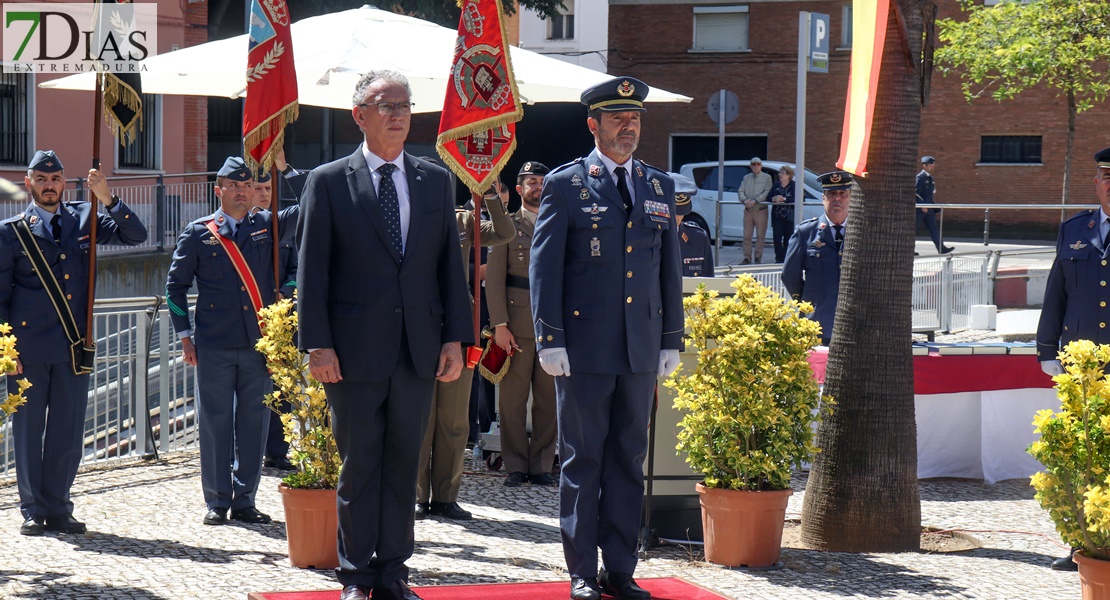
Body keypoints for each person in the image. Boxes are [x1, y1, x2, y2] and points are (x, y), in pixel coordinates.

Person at [296, 70, 472, 600]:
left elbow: (449, 269)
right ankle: (355, 575)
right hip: (350, 353)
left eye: (404, 104)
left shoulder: (435, 179)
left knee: (403, 465)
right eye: (385, 104)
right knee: (359, 465)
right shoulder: (327, 181)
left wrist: (454, 339)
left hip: (418, 350)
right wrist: (317, 343)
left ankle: (393, 573)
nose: (398, 113)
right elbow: (313, 270)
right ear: (359, 115)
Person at [530, 76, 684, 600]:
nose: (629, 127)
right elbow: (545, 269)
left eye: (635, 118)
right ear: (593, 124)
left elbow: (668, 269)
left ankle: (620, 568)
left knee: (627, 459)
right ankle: (580, 570)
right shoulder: (566, 184)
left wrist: (671, 338)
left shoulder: (658, 186)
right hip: (584, 348)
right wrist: (549, 337)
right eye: (618, 118)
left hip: (639, 347)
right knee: (583, 459)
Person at [0, 150, 147, 536]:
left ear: (65, 182)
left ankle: (59, 506)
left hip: (72, 344)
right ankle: (32, 508)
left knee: (67, 429)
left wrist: (108, 197)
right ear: (29, 183)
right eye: (42, 180)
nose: (50, 186)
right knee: (28, 429)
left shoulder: (86, 217)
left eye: (57, 179)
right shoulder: (11, 230)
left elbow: (137, 235)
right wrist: (5, 351)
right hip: (28, 348)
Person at [167, 156, 297, 527]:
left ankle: (245, 500)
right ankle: (217, 500)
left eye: (247, 185)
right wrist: (185, 337)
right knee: (215, 423)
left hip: (260, 344)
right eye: (234, 185)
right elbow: (175, 288)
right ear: (218, 190)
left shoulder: (269, 226)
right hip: (214, 343)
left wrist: (285, 169)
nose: (242, 191)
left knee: (254, 424)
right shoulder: (198, 232)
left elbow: (309, 208)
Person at [416, 176, 514, 519]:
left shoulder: (463, 219)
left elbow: (504, 233)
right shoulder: (400, 215)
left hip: (457, 325)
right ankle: (417, 495)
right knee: (420, 417)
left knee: (455, 419)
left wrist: (488, 194)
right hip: (415, 325)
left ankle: (445, 495)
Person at [1035, 146, 1110, 572]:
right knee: (1082, 453)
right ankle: (1082, 544)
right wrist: (1047, 350)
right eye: (1107, 178)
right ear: (1097, 183)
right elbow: (1056, 293)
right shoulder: (1074, 229)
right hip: (1082, 368)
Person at [485, 161, 559, 488]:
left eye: (542, 181)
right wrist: (499, 324)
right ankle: (515, 464)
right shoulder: (507, 226)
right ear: (518, 189)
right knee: (512, 400)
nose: (537, 187)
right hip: (514, 326)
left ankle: (542, 463)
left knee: (548, 400)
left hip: (551, 326)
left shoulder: (560, 223)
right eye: (531, 181)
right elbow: (496, 280)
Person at [250, 166, 297, 472]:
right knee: (250, 389)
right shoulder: (231, 226)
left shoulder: (281, 225)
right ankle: (242, 451)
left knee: (283, 388)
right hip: (248, 319)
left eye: (269, 189)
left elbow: (295, 268)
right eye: (259, 189)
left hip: (279, 320)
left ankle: (277, 451)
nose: (265, 195)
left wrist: (287, 290)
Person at [781, 170, 854, 346]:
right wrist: (808, 302)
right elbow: (790, 275)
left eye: (842, 194)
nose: (837, 198)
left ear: (850, 198)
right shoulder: (805, 232)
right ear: (823, 199)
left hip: (853, 322)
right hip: (817, 321)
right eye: (831, 194)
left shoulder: (861, 232)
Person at [670, 172, 714, 277]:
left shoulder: (698, 238)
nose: (676, 218)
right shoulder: (645, 237)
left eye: (681, 213)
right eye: (672, 212)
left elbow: (707, 281)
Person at [916, 156, 954, 255]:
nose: (932, 167)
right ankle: (909, 250)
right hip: (920, 210)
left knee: (934, 229)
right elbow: (915, 193)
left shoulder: (930, 178)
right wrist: (922, 205)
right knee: (913, 230)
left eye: (933, 166)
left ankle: (941, 248)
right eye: (930, 166)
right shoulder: (920, 178)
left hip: (929, 209)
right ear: (924, 166)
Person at [738, 157, 772, 265]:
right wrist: (744, 200)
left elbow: (767, 191)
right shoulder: (746, 178)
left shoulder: (767, 177)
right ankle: (747, 257)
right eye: (753, 164)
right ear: (750, 166)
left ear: (761, 166)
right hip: (748, 210)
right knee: (747, 235)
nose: (756, 166)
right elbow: (740, 191)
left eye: (758, 164)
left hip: (761, 210)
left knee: (760, 236)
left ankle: (758, 258)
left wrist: (756, 200)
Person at [769, 165, 797, 263]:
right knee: (777, 238)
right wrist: (774, 198)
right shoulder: (776, 185)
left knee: (788, 239)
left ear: (789, 175)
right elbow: (768, 197)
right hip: (777, 217)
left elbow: (799, 199)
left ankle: (785, 258)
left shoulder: (794, 185)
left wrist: (784, 199)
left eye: (782, 173)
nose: (780, 175)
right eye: (779, 173)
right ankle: (778, 258)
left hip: (789, 217)